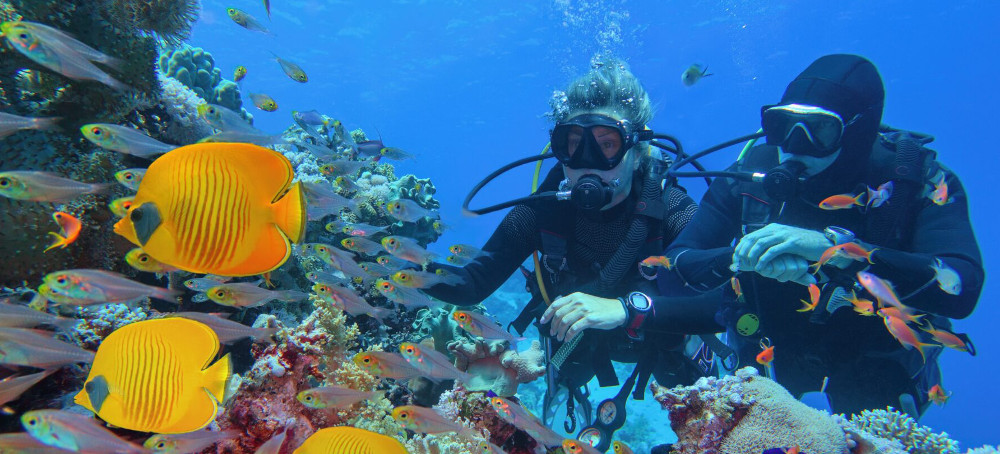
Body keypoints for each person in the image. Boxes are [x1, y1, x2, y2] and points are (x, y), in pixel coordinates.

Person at [659, 54, 984, 417]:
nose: (794, 145)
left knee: (870, 428)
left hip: (873, 359)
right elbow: (670, 270)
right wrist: (742, 256)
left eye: (821, 130)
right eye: (782, 125)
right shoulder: (750, 177)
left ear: (858, 131)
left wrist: (839, 250)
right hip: (769, 350)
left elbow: (963, 287)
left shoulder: (915, 182)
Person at [424, 59, 705, 448]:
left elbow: (719, 297)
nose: (587, 163)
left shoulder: (673, 210)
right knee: (565, 384)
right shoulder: (544, 209)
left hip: (657, 334)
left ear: (638, 151)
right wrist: (400, 266)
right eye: (573, 145)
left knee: (694, 393)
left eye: (607, 145)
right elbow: (472, 282)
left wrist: (627, 308)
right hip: (577, 338)